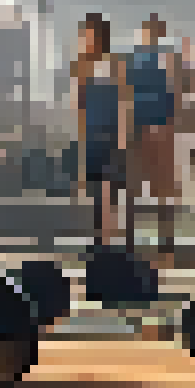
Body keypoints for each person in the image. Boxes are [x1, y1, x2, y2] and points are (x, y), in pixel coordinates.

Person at [122, 15, 184, 258]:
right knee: (133, 189)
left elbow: (177, 95)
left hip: (161, 132)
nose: (152, 36)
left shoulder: (168, 60)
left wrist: (170, 127)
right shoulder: (132, 61)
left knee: (162, 189)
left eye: (155, 31)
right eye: (149, 31)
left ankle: (165, 241)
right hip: (138, 133)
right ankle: (130, 241)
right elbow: (124, 96)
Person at [71, 14, 130, 247]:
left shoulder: (115, 64)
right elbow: (80, 106)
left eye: (90, 34)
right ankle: (98, 243)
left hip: (113, 136)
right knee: (96, 192)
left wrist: (124, 139)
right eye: (84, 35)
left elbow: (124, 102)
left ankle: (113, 242)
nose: (86, 39)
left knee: (113, 191)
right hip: (93, 137)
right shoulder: (81, 66)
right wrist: (82, 140)